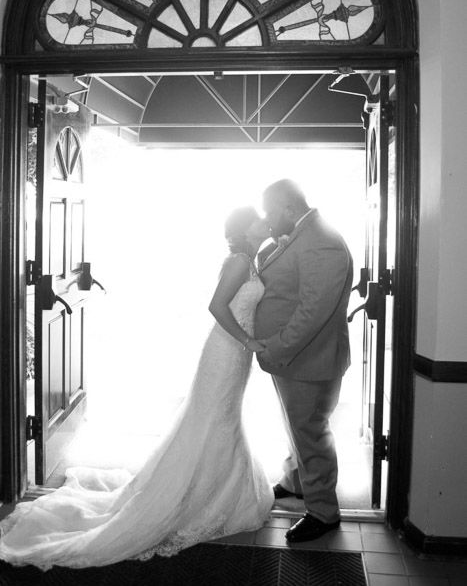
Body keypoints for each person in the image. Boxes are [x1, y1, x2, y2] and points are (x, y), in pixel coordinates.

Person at [0, 207, 273, 570]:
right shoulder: (239, 261)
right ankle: (193, 495)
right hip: (226, 350)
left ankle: (221, 487)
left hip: (238, 355)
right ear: (245, 229)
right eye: (258, 219)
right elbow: (216, 306)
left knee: (223, 420)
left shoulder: (254, 259)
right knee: (213, 421)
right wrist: (246, 340)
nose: (265, 222)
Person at [255, 179, 353, 543]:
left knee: (311, 432)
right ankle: (296, 482)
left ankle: (323, 512)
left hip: (308, 359)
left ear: (289, 209)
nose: (267, 219)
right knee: (297, 427)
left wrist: (276, 346)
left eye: (270, 211)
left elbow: (312, 312)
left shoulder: (321, 242)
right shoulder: (302, 235)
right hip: (295, 362)